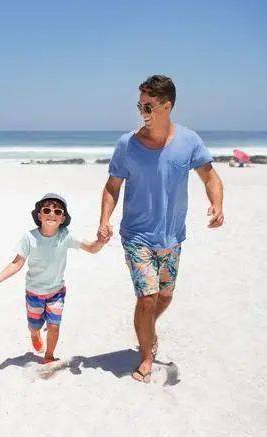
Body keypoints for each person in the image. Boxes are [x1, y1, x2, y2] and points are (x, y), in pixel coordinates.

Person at [97, 75, 224, 383]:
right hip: (137, 235)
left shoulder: (189, 141)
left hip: (172, 236)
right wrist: (104, 220)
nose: (142, 111)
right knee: (147, 298)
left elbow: (210, 177)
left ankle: (146, 327)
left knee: (164, 297)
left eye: (148, 106)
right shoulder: (127, 145)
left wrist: (217, 204)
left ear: (167, 106)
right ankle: (146, 356)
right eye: (140, 105)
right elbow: (112, 186)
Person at [0, 193, 106, 364]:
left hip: (56, 292)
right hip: (34, 292)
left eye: (58, 212)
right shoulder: (29, 237)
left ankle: (49, 356)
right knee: (34, 326)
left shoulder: (66, 236)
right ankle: (34, 333)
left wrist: (101, 241)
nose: (52, 214)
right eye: (47, 210)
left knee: (54, 325)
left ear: (62, 218)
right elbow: (16, 264)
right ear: (39, 215)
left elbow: (91, 248)